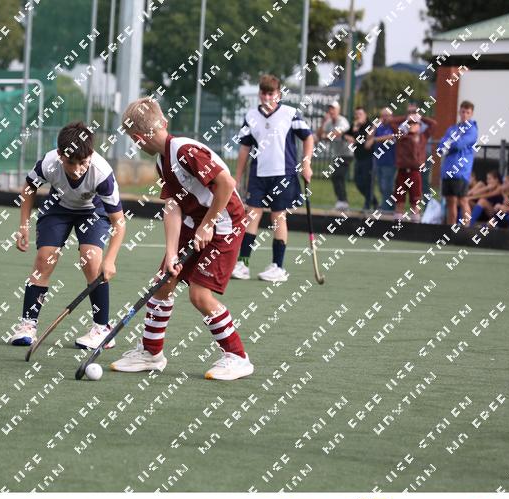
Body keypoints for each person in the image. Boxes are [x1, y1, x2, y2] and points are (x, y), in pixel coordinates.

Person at [109, 97, 253, 381]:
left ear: (138, 139)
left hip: (226, 224)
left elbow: (226, 183)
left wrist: (208, 224)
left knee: (199, 295)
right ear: (163, 122)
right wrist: (172, 253)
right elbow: (173, 206)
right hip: (195, 221)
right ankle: (151, 353)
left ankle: (237, 357)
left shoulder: (185, 151)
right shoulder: (162, 162)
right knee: (163, 281)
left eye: (133, 140)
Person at [9, 122, 126, 350]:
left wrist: (110, 260)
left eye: (83, 163)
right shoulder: (49, 163)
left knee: (92, 260)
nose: (77, 169)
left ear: (90, 155)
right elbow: (29, 187)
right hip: (58, 208)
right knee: (44, 259)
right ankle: (27, 325)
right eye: (71, 162)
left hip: (93, 211)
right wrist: (23, 225)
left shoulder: (102, 173)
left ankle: (102, 329)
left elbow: (119, 223)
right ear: (60, 155)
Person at [230, 74, 313, 282]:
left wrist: (306, 163)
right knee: (251, 216)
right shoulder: (251, 116)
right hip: (258, 175)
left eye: (271, 93)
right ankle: (243, 264)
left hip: (283, 174)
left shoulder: (290, 113)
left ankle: (278, 267)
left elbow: (308, 137)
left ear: (278, 94)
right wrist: (236, 177)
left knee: (278, 218)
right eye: (264, 93)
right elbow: (244, 148)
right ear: (259, 94)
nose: (267, 97)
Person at [390, 111, 437, 220]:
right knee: (399, 201)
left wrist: (421, 117)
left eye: (415, 123)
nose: (412, 125)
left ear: (419, 126)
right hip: (402, 172)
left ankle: (415, 224)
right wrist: (406, 117)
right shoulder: (402, 136)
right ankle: (397, 223)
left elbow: (434, 124)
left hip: (414, 173)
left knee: (415, 202)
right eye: (410, 123)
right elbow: (391, 122)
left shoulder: (423, 136)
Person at [438, 100, 478, 225]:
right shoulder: (452, 129)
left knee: (463, 200)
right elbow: (440, 146)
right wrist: (447, 143)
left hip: (461, 171)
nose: (465, 114)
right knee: (451, 201)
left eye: (467, 112)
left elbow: (459, 144)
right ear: (459, 112)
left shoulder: (472, 130)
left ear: (471, 114)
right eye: (463, 112)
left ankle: (466, 229)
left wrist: (448, 143)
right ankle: (451, 230)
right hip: (447, 170)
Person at [316, 101, 351, 211]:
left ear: (338, 110)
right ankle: (342, 201)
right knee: (337, 177)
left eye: (333, 109)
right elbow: (319, 135)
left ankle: (342, 201)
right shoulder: (328, 122)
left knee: (337, 175)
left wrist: (326, 136)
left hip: (347, 153)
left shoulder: (343, 121)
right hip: (337, 154)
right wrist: (323, 123)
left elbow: (337, 134)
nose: (331, 111)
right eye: (330, 109)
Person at [344, 106, 377, 211]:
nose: (358, 116)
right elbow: (345, 134)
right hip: (358, 158)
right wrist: (348, 136)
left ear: (365, 115)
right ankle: (374, 201)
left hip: (368, 158)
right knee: (358, 183)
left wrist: (355, 131)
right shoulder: (355, 125)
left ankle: (367, 205)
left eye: (360, 114)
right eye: (356, 114)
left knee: (367, 182)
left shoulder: (369, 125)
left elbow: (362, 139)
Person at [366, 108, 397, 212]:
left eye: (387, 115)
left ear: (391, 116)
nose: (384, 118)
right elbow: (368, 137)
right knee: (381, 185)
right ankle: (391, 206)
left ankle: (385, 209)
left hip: (390, 161)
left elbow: (391, 136)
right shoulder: (379, 127)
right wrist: (374, 126)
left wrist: (375, 139)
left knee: (387, 186)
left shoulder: (393, 126)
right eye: (382, 115)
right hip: (379, 160)